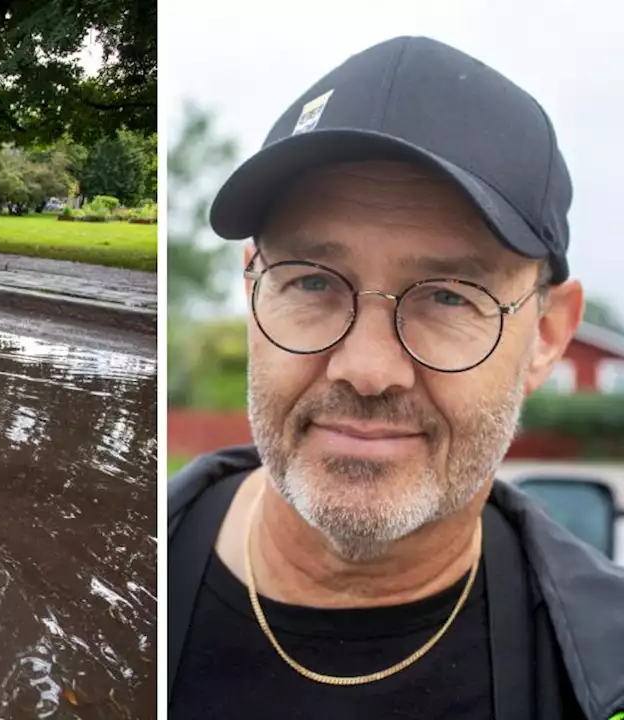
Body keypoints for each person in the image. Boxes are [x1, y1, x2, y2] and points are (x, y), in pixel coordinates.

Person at [167, 36, 624, 720]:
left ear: (548, 335)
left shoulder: (603, 668)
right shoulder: (130, 571)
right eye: (313, 281)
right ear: (254, 290)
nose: (368, 369)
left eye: (448, 296)